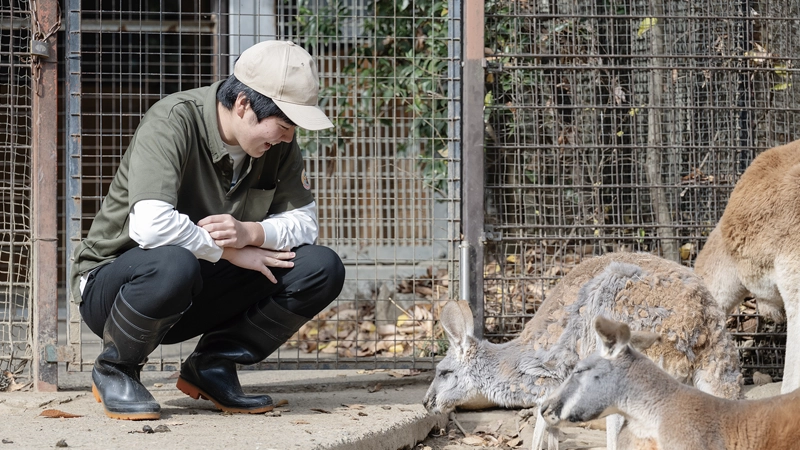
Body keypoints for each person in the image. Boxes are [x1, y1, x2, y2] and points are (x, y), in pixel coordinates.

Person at [69, 40, 346, 421]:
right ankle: (116, 369)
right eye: (283, 127)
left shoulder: (278, 144)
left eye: (292, 129)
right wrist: (229, 251)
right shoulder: (173, 120)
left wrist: (250, 234)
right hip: (117, 289)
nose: (287, 138)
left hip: (194, 287)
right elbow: (150, 225)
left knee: (321, 266)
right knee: (172, 261)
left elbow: (306, 224)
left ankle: (212, 366)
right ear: (244, 104)